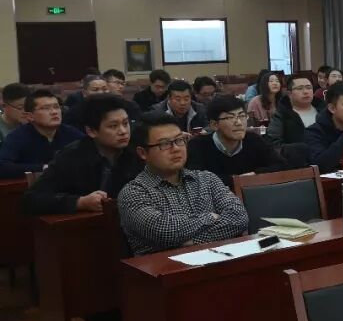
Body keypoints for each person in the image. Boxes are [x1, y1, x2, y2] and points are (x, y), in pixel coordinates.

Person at [117, 113, 248, 255]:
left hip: (219, 261)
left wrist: (193, 242)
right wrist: (210, 217)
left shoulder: (207, 179)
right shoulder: (134, 192)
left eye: (179, 140)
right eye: (164, 144)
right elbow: (164, 231)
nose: (176, 148)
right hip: (165, 266)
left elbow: (239, 217)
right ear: (143, 153)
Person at [21, 95, 142, 215]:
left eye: (125, 123)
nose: (123, 131)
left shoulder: (139, 150)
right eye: (113, 126)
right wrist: (80, 202)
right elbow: (31, 199)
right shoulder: (71, 157)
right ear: (91, 131)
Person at [186, 95, 287, 187]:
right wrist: (237, 180)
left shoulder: (254, 140)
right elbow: (196, 180)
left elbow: (281, 165)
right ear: (214, 125)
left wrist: (254, 174)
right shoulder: (198, 146)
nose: (239, 122)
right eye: (230, 117)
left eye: (242, 116)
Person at [0, 90, 84, 178]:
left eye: (56, 107)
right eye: (46, 108)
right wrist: (43, 168)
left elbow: (90, 152)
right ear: (30, 116)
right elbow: (3, 166)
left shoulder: (70, 132)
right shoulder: (17, 137)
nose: (54, 112)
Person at [267, 74, 323, 146]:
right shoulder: (282, 115)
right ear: (289, 93)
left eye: (309, 88)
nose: (305, 91)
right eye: (300, 88)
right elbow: (273, 143)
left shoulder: (324, 110)